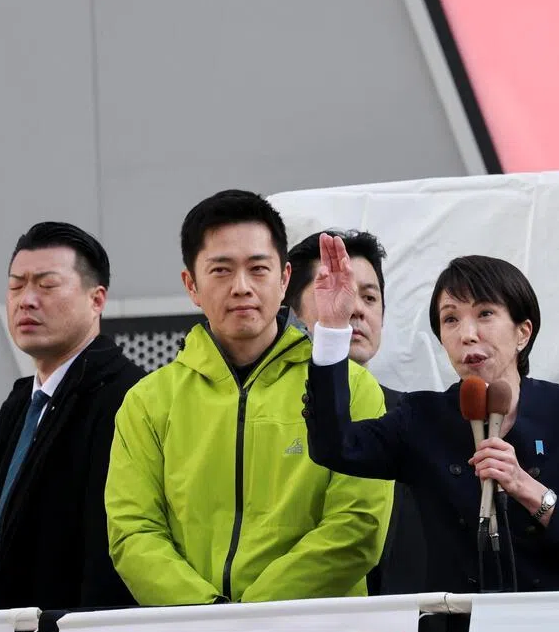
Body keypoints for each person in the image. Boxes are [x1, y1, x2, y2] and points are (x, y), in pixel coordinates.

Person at [105, 191, 392, 605]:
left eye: (258, 269)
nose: (241, 287)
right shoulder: (147, 402)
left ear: (284, 279)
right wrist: (208, 613)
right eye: (221, 270)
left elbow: (358, 526)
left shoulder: (353, 389)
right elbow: (133, 531)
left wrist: (250, 616)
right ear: (191, 285)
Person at [304, 234, 559, 592]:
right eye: (450, 319)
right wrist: (333, 329)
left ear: (523, 333)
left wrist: (526, 487)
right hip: (462, 622)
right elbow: (335, 446)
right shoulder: (421, 417)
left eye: (485, 314)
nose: (467, 334)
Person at [0, 223, 144, 611]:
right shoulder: (19, 403)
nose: (26, 300)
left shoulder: (127, 398)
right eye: (16, 286)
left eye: (47, 285)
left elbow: (111, 556)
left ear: (97, 299)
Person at [286, 230, 426, 594]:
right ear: (292, 312)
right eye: (335, 289)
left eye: (369, 297)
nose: (355, 308)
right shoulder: (267, 415)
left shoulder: (415, 418)